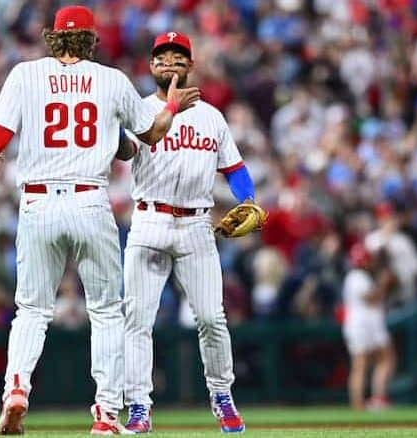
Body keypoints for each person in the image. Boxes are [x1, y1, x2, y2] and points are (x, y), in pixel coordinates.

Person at [0, 6, 199, 435]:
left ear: (53, 38)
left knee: (31, 309)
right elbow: (154, 134)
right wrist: (172, 106)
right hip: (89, 200)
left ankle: (16, 388)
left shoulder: (24, 75)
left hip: (38, 203)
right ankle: (106, 414)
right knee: (105, 312)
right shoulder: (111, 80)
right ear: (91, 39)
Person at [117, 31, 263, 433]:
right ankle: (139, 407)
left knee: (212, 319)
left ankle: (221, 395)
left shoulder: (212, 117)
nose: (170, 62)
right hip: (148, 220)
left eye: (178, 56)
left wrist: (247, 198)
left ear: (190, 66)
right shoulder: (138, 111)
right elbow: (123, 150)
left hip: (196, 224)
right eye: (162, 56)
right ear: (151, 66)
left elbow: (234, 169)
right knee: (137, 320)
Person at [342, 243, 397, 411]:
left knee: (376, 361)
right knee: (365, 364)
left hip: (365, 325)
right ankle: (364, 403)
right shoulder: (356, 276)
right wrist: (384, 284)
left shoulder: (360, 276)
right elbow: (370, 298)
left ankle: (374, 400)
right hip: (362, 325)